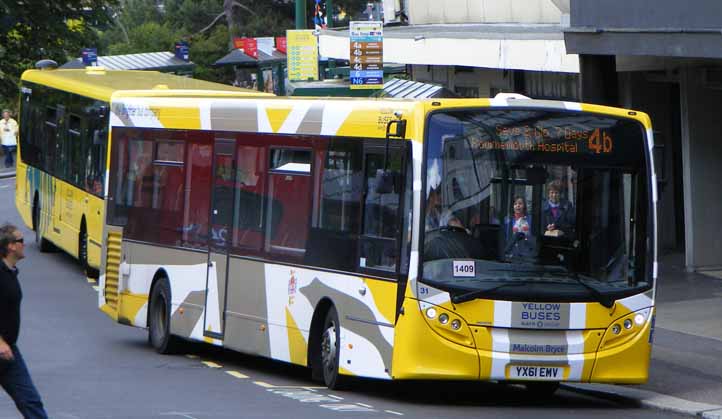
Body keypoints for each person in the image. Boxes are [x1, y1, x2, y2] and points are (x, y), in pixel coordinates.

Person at [0, 224, 48, 418]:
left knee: (30, 400)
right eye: (20, 241)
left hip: (9, 351)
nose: (24, 244)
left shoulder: (11, 272)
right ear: (10, 246)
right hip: (2, 347)